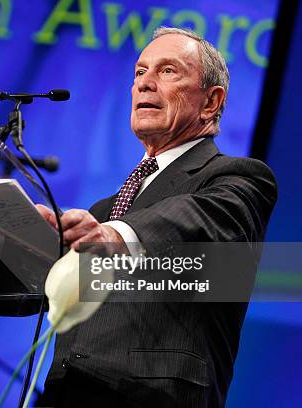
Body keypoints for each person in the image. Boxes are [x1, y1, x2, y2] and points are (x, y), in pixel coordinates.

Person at [35, 27, 278, 407]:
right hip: (66, 393)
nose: (145, 83)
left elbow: (196, 220)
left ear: (211, 102)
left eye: (167, 71)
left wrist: (115, 236)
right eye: (139, 72)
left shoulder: (237, 178)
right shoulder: (105, 209)